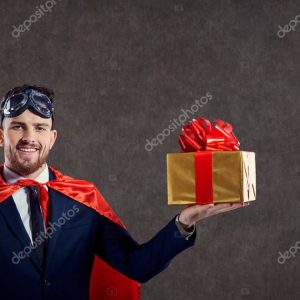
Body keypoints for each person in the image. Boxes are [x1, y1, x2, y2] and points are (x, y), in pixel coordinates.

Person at [0, 84, 249, 300]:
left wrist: (185, 221)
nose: (29, 137)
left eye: (40, 127)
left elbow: (135, 266)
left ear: (52, 138)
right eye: (18, 127)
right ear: (1, 136)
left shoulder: (82, 198)